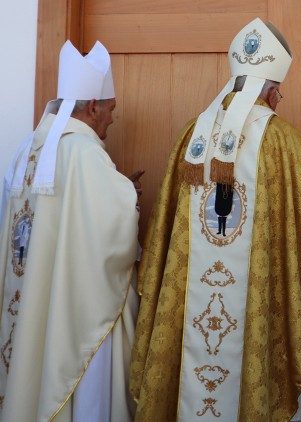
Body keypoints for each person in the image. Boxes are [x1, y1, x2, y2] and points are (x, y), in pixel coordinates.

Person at [129, 18, 301, 421]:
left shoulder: (192, 138)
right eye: (279, 93)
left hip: (191, 311)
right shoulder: (284, 143)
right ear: (272, 91)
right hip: (257, 310)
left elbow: (161, 229)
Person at [0, 40, 140, 421]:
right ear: (93, 106)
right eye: (111, 110)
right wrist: (131, 198)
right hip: (70, 308)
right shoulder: (83, 152)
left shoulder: (27, 149)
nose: (112, 118)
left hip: (28, 301)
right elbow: (111, 233)